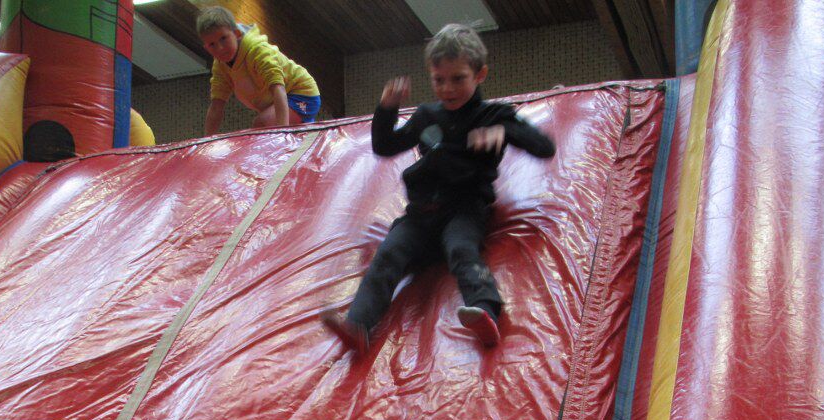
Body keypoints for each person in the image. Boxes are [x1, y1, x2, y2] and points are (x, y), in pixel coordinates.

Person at [320, 23, 555, 355]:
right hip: (421, 214)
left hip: (464, 209)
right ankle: (358, 326)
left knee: (461, 249)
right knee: (387, 255)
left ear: (480, 74)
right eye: (438, 80)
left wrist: (504, 132)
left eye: (458, 79)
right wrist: (386, 110)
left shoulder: (493, 115)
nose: (447, 88)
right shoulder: (427, 115)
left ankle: (486, 312)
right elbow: (385, 146)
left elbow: (544, 147)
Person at [197, 6, 320, 134]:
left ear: (236, 34)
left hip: (302, 95)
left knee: (261, 124)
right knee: (263, 127)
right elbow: (216, 106)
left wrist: (282, 133)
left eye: (223, 38)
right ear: (206, 48)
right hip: (277, 102)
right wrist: (207, 141)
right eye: (212, 44)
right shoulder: (220, 66)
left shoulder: (257, 51)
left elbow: (278, 88)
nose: (220, 48)